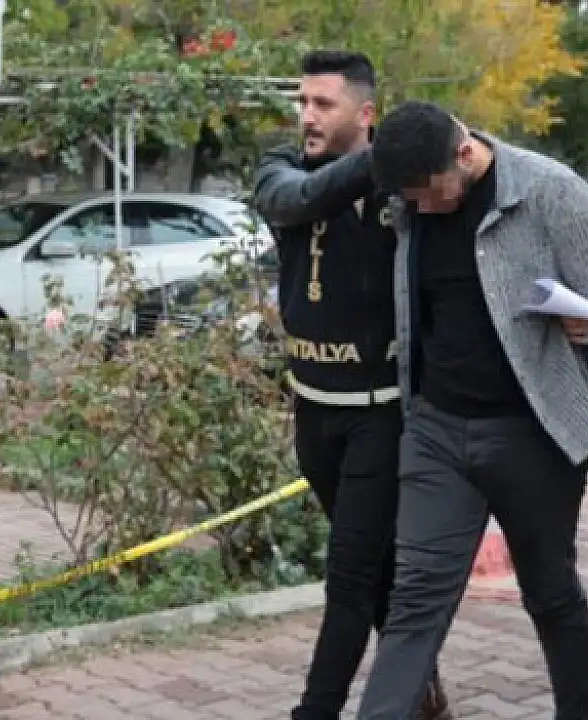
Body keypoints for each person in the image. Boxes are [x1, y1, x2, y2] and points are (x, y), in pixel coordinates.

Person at [354, 100, 588, 720]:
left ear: (465, 153)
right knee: (415, 600)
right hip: (436, 429)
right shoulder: (411, 202)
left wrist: (577, 346)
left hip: (533, 434)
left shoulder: (551, 192)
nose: (423, 209)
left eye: (430, 194)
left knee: (550, 591)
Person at [252, 51, 452, 720]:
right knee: (375, 566)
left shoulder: (404, 190)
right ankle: (420, 687)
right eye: (302, 101)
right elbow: (294, 201)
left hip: (380, 414)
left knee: (349, 576)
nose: (307, 116)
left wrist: (401, 161)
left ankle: (317, 710)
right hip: (314, 413)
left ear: (365, 113)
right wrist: (384, 156)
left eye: (323, 104)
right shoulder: (281, 169)